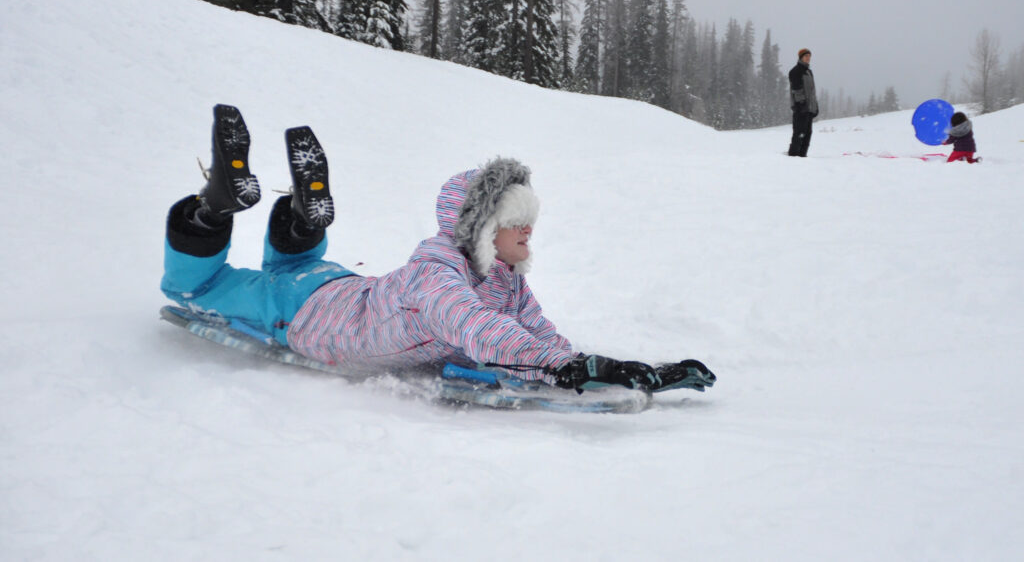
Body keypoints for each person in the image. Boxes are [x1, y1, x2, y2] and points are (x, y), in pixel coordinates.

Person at [161, 105, 715, 393]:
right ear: (481, 230)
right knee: (192, 288)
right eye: (515, 221)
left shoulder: (501, 278)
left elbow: (536, 335)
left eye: (530, 220)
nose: (528, 232)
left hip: (330, 282)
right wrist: (570, 368)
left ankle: (303, 216)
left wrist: (611, 368)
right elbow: (475, 328)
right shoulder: (438, 274)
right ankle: (213, 208)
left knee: (291, 266)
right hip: (302, 314)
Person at [788, 48, 818, 157]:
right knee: (799, 133)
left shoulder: (809, 72)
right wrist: (801, 104)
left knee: (808, 133)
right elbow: (796, 90)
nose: (808, 58)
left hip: (809, 109)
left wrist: (815, 107)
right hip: (800, 109)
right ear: (801, 57)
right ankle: (793, 155)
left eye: (809, 56)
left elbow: (812, 91)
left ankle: (803, 156)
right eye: (806, 56)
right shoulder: (795, 71)